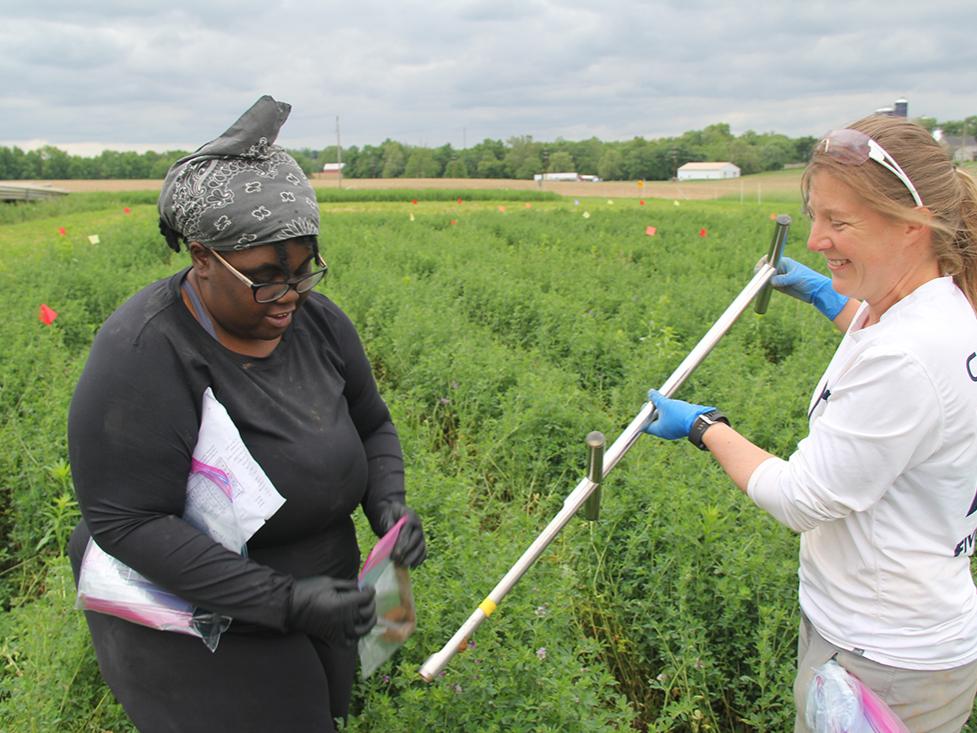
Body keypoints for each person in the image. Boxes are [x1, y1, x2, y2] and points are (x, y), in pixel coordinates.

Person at [66, 95, 426, 733]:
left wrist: (388, 505)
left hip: (321, 589)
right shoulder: (144, 352)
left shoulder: (320, 322)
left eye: (305, 268)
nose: (290, 295)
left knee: (328, 708)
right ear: (202, 257)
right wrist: (283, 600)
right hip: (200, 612)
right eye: (265, 277)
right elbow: (128, 522)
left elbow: (372, 423)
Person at [642, 114, 977, 733]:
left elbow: (803, 498)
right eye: (816, 216)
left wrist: (705, 426)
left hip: (880, 655)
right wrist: (831, 298)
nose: (817, 239)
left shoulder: (902, 356)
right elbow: (897, 349)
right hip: (908, 627)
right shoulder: (942, 306)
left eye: (840, 222)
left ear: (911, 226)